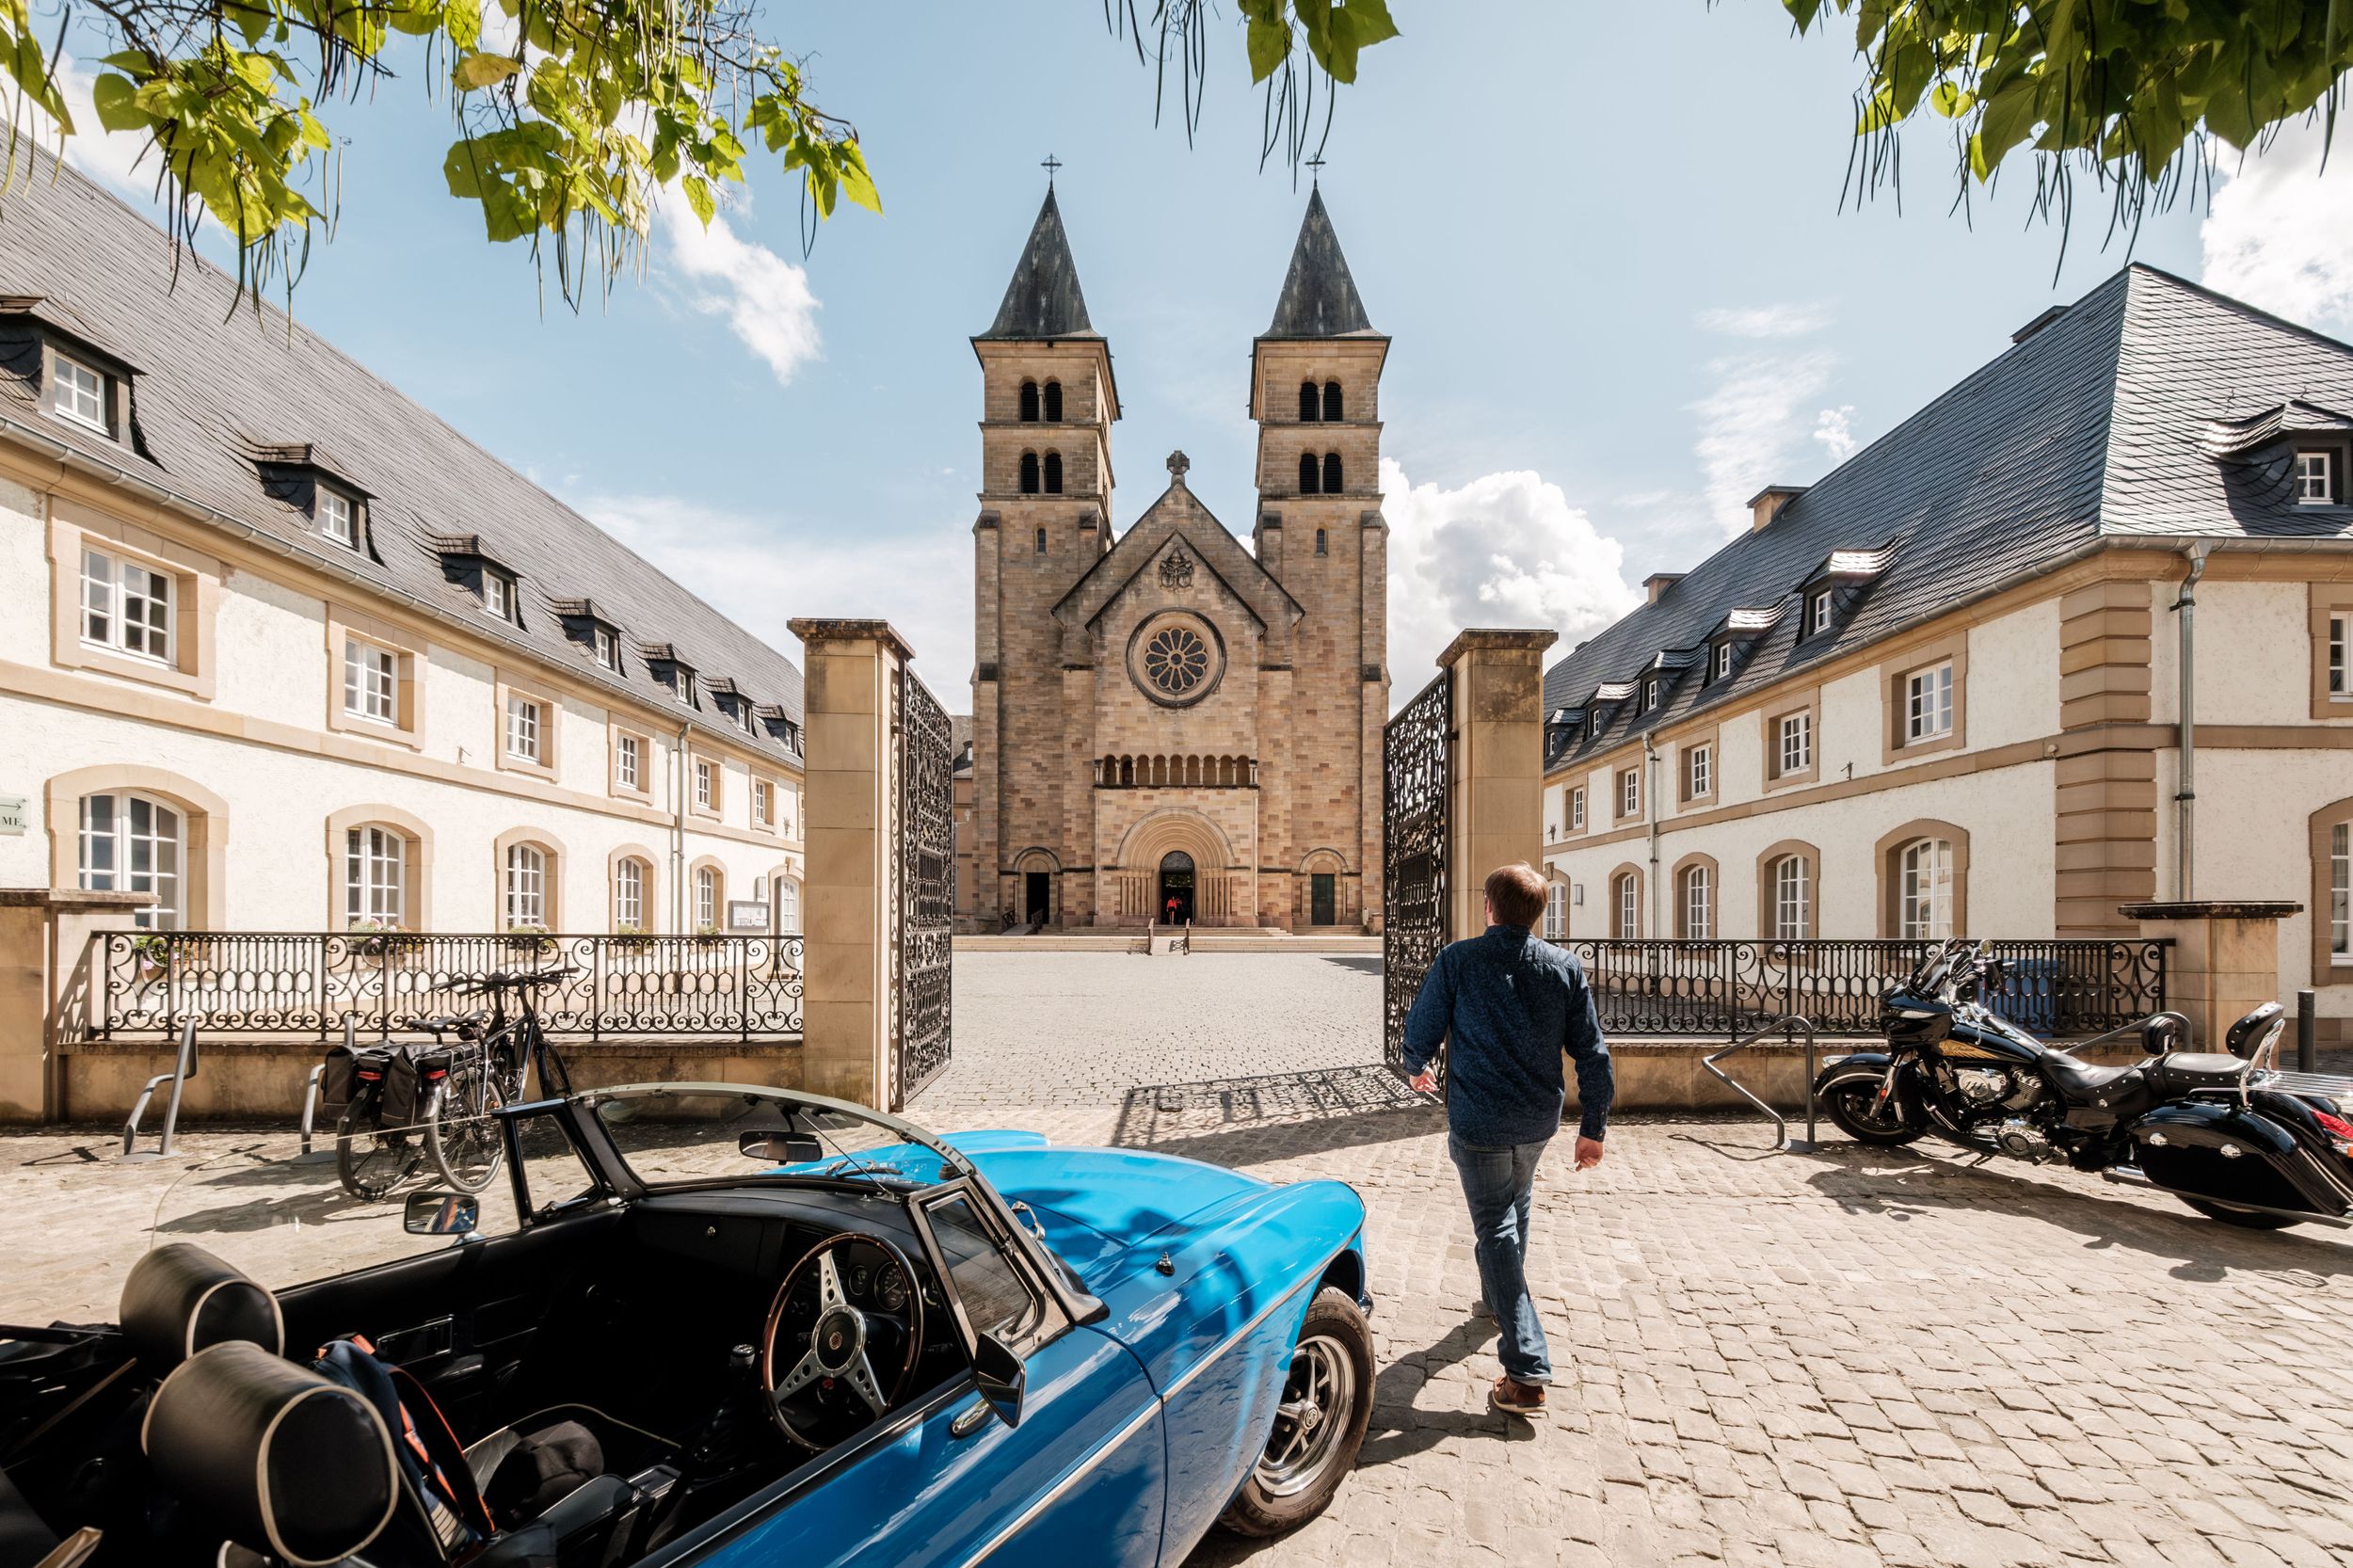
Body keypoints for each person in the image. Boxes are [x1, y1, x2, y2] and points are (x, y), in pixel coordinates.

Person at [1402, 861, 1613, 1420]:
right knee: (1515, 1206)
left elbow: (1421, 1024)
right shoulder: (1564, 967)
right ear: (1537, 913)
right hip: (1537, 1122)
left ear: (1489, 907)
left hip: (1480, 1121)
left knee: (1495, 1225)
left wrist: (1415, 1063)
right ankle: (1499, 1299)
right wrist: (1592, 1128)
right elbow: (1592, 1053)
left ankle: (1525, 1369)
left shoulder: (1459, 959)